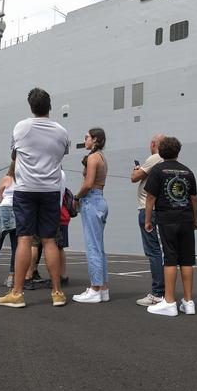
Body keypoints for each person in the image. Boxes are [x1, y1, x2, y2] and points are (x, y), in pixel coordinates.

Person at [0, 87, 69, 308]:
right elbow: (62, 154)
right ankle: (57, 292)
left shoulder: (22, 127)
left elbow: (13, 154)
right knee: (50, 241)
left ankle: (17, 294)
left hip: (26, 189)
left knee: (25, 239)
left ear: (31, 107)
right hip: (50, 190)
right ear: (50, 106)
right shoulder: (61, 131)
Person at [144, 137, 197, 316]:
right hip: (186, 219)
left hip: (167, 219)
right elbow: (193, 199)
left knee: (169, 259)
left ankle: (169, 301)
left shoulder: (157, 170)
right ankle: (189, 302)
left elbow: (150, 198)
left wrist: (147, 220)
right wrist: (195, 219)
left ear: (160, 152)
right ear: (178, 152)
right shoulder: (188, 171)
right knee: (187, 260)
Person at [73, 128, 110, 304]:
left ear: (95, 139)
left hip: (91, 201)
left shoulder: (93, 158)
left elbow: (88, 184)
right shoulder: (101, 157)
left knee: (92, 247)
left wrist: (76, 197)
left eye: (87, 137)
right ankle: (103, 288)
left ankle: (95, 289)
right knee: (99, 247)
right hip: (100, 200)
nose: (85, 140)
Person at [131, 134, 165, 307]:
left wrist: (136, 170)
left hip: (147, 209)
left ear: (153, 144)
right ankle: (164, 291)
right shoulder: (166, 160)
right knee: (161, 251)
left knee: (153, 251)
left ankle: (158, 292)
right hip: (161, 209)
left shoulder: (154, 158)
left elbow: (134, 178)